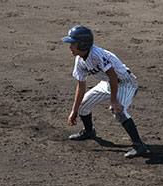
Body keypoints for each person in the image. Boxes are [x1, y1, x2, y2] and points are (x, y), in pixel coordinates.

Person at [61, 25, 147, 158]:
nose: (70, 46)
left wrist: (114, 101)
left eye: (73, 43)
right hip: (108, 83)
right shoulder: (79, 60)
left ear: (83, 44)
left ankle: (139, 145)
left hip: (125, 82)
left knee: (119, 111)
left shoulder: (96, 54)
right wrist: (74, 110)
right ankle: (89, 132)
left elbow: (113, 76)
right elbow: (81, 86)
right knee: (83, 106)